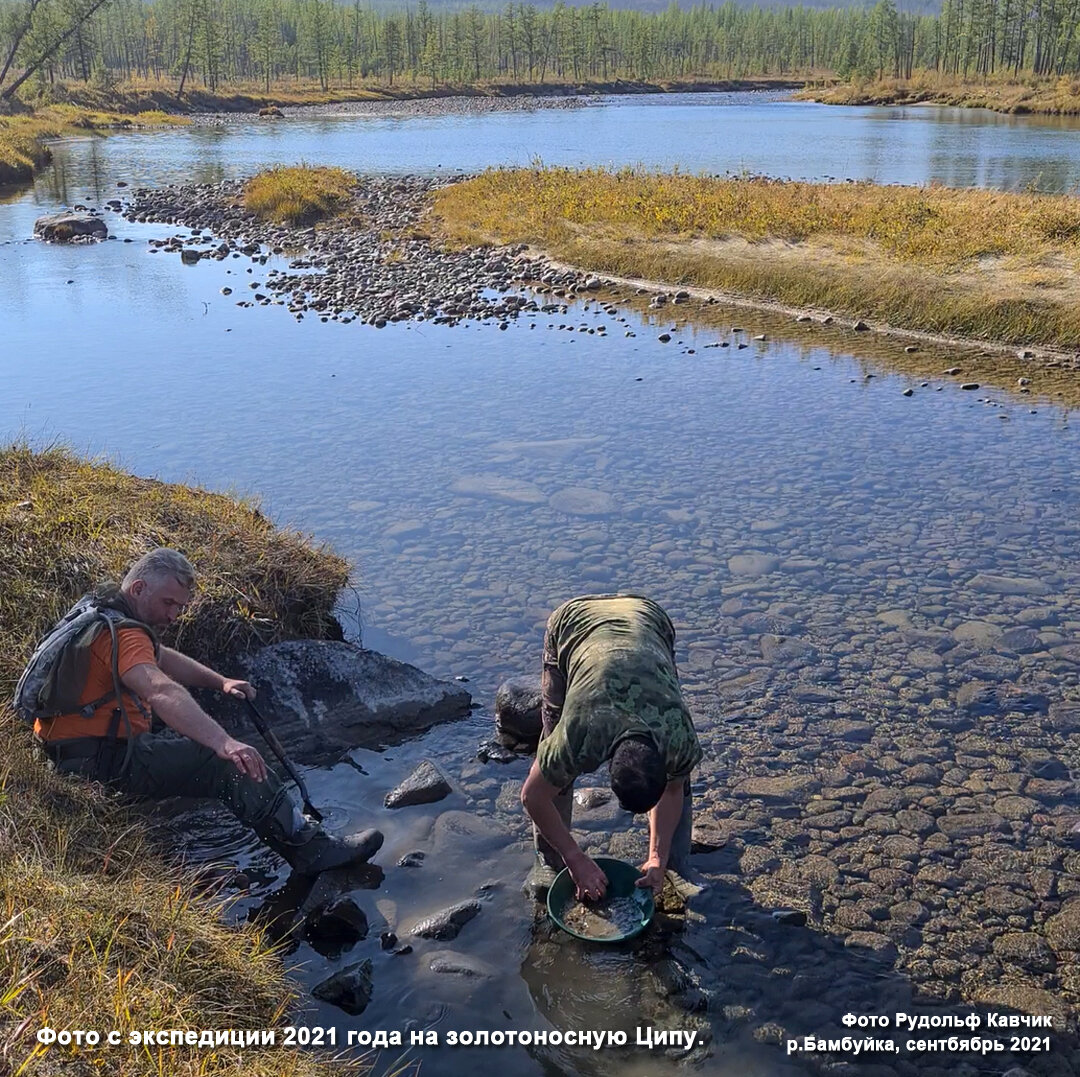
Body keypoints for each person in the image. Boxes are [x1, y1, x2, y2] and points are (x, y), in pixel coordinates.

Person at [26, 547, 382, 875]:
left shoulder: (104, 617)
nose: (174, 615)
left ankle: (292, 826)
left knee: (189, 740)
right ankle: (310, 851)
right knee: (228, 764)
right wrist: (224, 743)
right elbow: (159, 687)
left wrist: (220, 682)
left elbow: (162, 659)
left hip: (71, 750)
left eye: (180, 606)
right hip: (97, 762)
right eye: (168, 603)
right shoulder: (125, 635)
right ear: (137, 588)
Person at [520, 593, 702, 901]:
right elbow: (532, 796)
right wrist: (575, 859)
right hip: (573, 622)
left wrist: (656, 854)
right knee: (556, 774)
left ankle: (672, 865)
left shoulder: (677, 733)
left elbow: (673, 789)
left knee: (681, 781)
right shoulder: (580, 732)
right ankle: (550, 862)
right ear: (604, 762)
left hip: (647, 618)